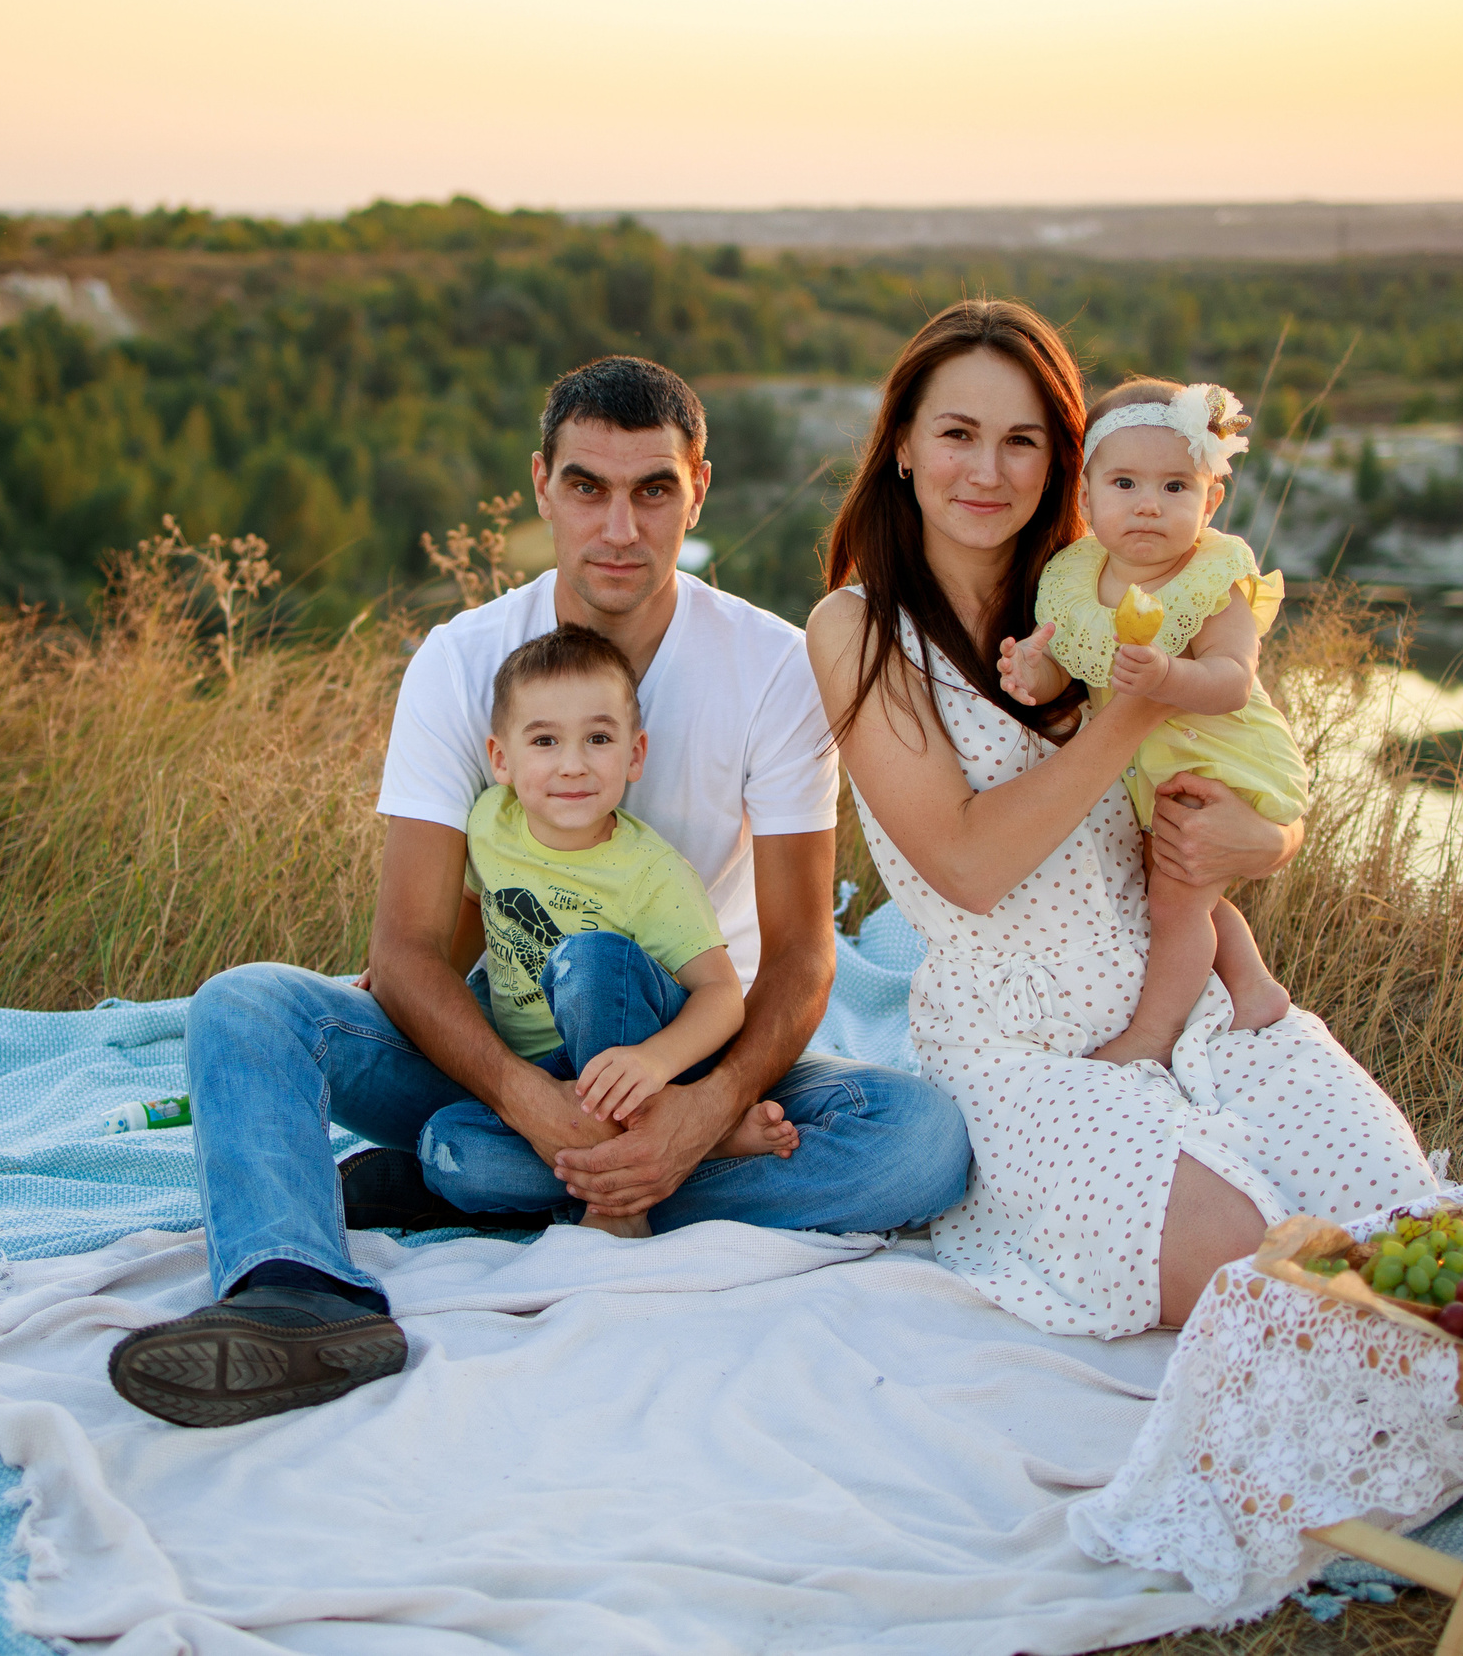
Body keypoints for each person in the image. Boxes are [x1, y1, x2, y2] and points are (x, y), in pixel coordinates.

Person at [110, 356, 972, 1428]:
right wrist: (531, 1102)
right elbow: (408, 951)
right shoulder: (462, 661)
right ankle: (300, 1294)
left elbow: (800, 957)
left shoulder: (772, 666)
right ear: (539, 486)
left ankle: (478, 1186)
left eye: (652, 489)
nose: (620, 527)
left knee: (921, 1140)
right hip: (502, 1058)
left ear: (697, 487)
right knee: (246, 1006)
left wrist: (699, 1115)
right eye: (587, 488)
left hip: (692, 1048)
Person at [805, 300, 1437, 1340]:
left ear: (1063, 462)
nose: (988, 471)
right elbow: (966, 865)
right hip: (1030, 1053)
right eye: (957, 434)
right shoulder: (858, 630)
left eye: (1022, 442)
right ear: (905, 450)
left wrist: (1270, 840)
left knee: (1408, 1243)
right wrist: (1139, 702)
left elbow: (1245, 753)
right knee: (1265, 1283)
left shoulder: (1112, 593)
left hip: (1192, 995)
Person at [996, 377, 1303, 1066]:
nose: (1148, 507)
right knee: (1170, 881)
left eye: (1174, 488)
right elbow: (1069, 664)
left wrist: (1170, 676)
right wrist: (1031, 673)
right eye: (1126, 483)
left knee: (1176, 901)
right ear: (1086, 497)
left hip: (1215, 758)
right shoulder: (1079, 579)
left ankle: (1153, 1034)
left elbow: (1233, 679)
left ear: (1210, 499)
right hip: (1148, 768)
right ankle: (1251, 988)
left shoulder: (1206, 579)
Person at [451, 622, 784, 1238]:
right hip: (546, 1086)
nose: (572, 765)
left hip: (639, 1065)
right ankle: (696, 1153)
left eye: (598, 738)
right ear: (502, 758)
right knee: (449, 1152)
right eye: (545, 740)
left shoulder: (650, 872)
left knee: (590, 960)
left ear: (634, 754)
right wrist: (422, 974)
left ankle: (618, 1207)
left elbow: (720, 995)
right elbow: (477, 907)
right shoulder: (488, 824)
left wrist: (653, 1061)